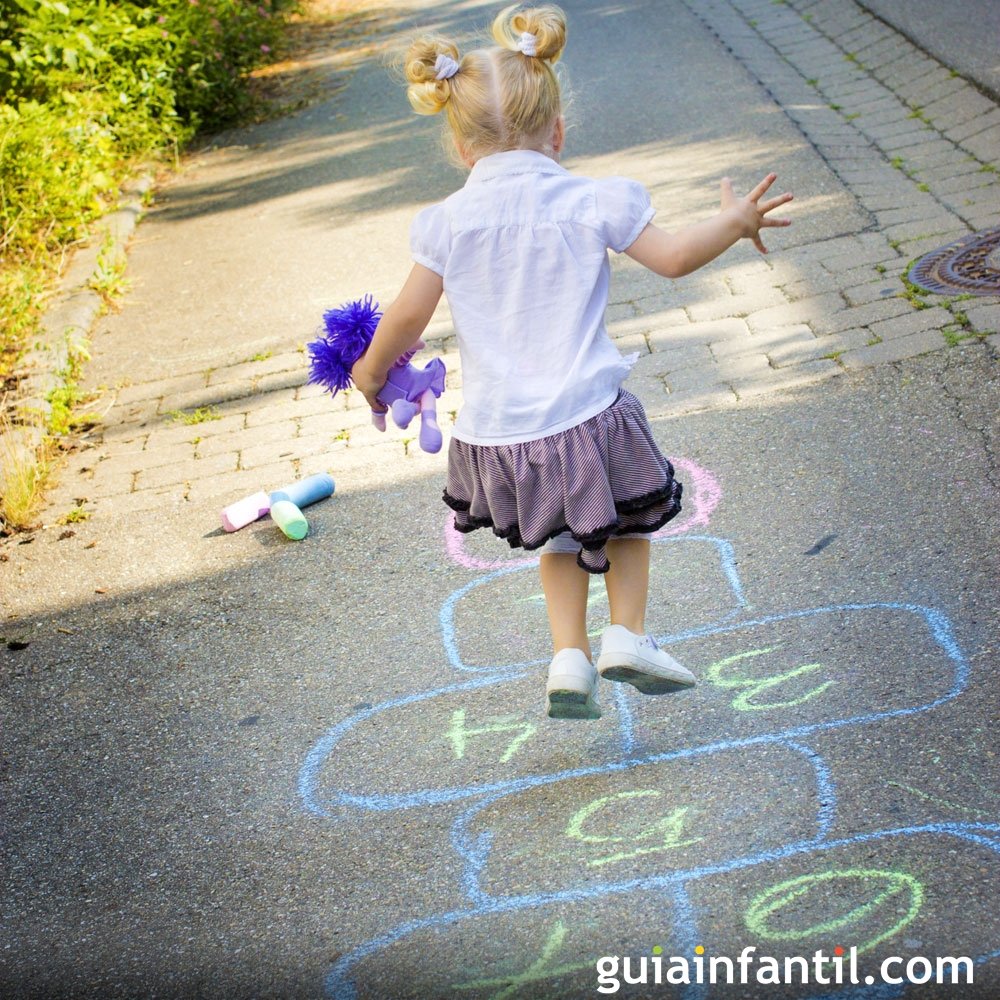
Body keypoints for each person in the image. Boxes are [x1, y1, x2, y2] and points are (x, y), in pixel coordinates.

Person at [351, 4, 793, 721]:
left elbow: (405, 318)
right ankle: (628, 635)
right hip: (589, 419)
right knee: (623, 524)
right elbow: (677, 258)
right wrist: (735, 222)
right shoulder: (592, 200)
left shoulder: (445, 223)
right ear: (557, 132)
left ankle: (569, 658)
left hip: (502, 439)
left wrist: (370, 375)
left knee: (560, 538)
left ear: (462, 149)